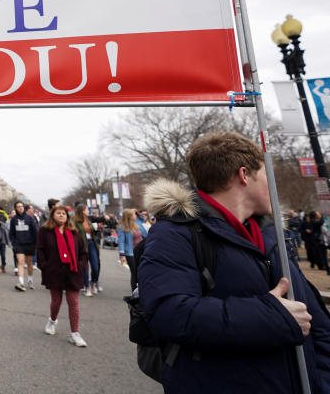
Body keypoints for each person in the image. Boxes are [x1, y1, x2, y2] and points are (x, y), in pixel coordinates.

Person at [138, 132, 330, 391]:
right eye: (265, 174)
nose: (272, 185)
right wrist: (271, 315)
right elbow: (169, 313)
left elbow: (315, 320)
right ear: (244, 175)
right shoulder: (174, 233)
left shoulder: (272, 233)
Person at [36, 203, 88, 347]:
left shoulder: (74, 232)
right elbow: (40, 251)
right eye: (58, 213)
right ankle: (52, 321)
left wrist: (81, 266)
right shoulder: (44, 231)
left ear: (67, 217)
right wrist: (44, 266)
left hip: (73, 272)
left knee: (73, 302)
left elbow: (83, 252)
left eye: (64, 213)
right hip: (54, 272)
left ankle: (75, 334)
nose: (61, 215)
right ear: (52, 215)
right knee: (56, 301)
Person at [74, 204, 103, 296]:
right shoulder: (75, 222)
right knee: (85, 267)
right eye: (87, 209)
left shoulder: (88, 220)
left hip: (91, 244)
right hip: (82, 246)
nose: (88, 211)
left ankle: (93, 283)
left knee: (95, 266)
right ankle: (87, 287)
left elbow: (92, 231)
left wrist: (96, 229)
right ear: (82, 211)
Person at [9, 201, 38, 291]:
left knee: (29, 263)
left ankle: (30, 280)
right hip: (18, 244)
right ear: (15, 208)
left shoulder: (30, 218)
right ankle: (21, 283)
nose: (20, 208)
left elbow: (35, 232)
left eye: (21, 206)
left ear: (24, 207)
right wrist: (13, 242)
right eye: (18, 206)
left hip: (29, 244)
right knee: (20, 262)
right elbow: (11, 233)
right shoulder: (13, 219)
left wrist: (35, 243)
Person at [117, 208, 142, 280]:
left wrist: (137, 212)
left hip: (139, 252)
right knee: (135, 273)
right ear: (129, 216)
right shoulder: (122, 227)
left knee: (140, 272)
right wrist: (122, 256)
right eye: (134, 214)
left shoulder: (136, 224)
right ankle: (135, 290)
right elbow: (121, 242)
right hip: (130, 254)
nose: (136, 216)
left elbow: (142, 219)